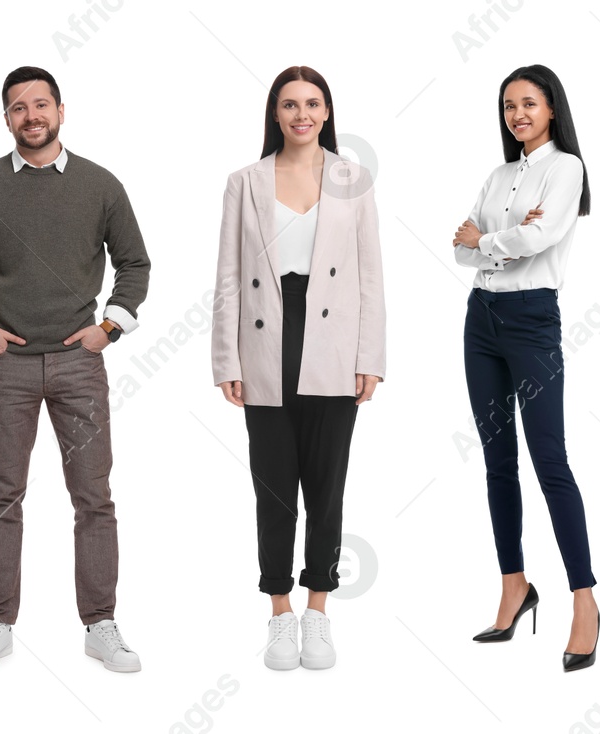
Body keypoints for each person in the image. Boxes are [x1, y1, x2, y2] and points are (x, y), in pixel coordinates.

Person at [0, 66, 151, 674]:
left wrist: (109, 327)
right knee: (2, 496)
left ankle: (100, 624)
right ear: (5, 118)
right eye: (18, 108)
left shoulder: (99, 185)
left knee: (94, 498)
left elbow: (134, 264)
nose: (31, 116)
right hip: (7, 370)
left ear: (60, 110)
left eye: (40, 105)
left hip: (81, 364)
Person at [211, 66, 385, 671]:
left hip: (333, 338)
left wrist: (371, 357)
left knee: (327, 482)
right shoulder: (245, 181)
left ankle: (319, 609)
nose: (301, 114)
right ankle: (279, 611)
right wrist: (225, 359)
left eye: (312, 103)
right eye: (290, 104)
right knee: (274, 484)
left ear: (328, 111)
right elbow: (229, 276)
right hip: (266, 334)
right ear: (275, 113)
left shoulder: (352, 180)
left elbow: (369, 275)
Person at [451, 64, 600, 672]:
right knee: (495, 458)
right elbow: (459, 248)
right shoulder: (499, 173)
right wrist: (494, 237)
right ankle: (514, 584)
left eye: (529, 104)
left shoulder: (567, 168)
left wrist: (489, 236)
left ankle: (585, 599)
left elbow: (534, 240)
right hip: (481, 321)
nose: (518, 114)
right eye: (510, 105)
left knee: (550, 459)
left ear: (552, 110)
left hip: (532, 321)